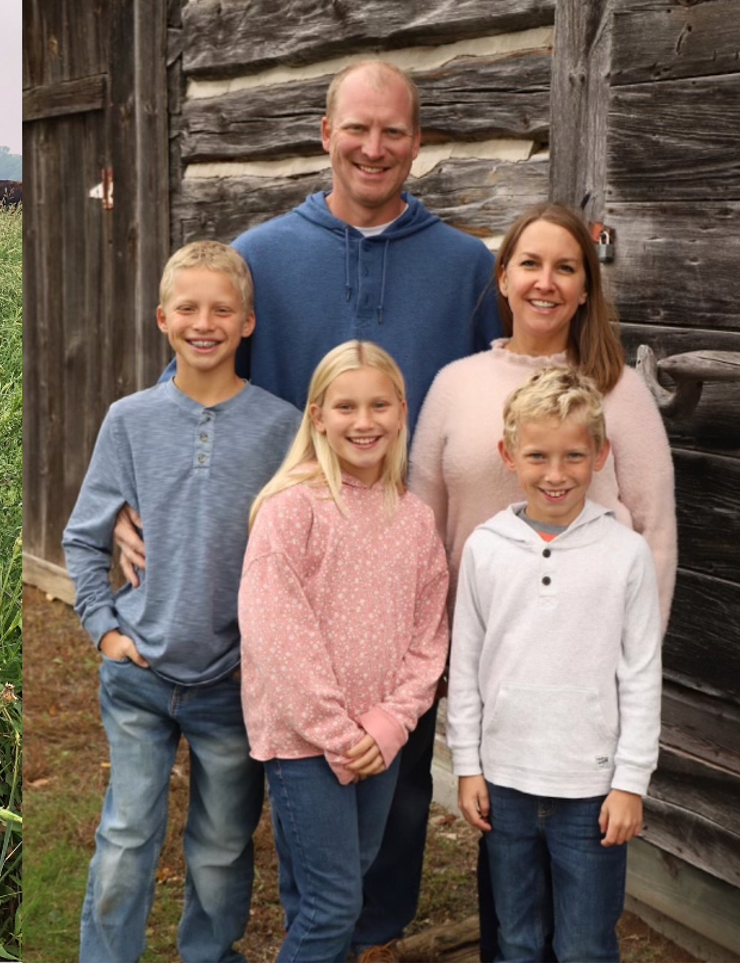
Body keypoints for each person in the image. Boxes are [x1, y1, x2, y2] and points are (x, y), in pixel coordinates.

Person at [121, 61, 498, 948]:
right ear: (323, 133)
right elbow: (188, 390)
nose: (375, 148)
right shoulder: (259, 255)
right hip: (279, 562)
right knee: (260, 765)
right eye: (357, 129)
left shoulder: (464, 267)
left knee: (396, 775)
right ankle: (286, 915)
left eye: (395, 131)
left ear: (420, 142)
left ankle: (365, 925)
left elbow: (497, 401)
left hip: (399, 561)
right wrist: (132, 502)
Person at [410, 202, 677, 959]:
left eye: (566, 267)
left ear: (587, 286)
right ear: (503, 276)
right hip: (490, 672)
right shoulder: (456, 384)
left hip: (584, 679)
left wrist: (627, 668)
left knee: (583, 908)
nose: (546, 282)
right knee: (512, 895)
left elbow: (653, 531)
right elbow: (422, 529)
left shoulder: (616, 389)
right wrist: (430, 657)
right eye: (530, 263)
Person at [63, 241, 302, 962]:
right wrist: (105, 631)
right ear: (163, 319)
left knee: (223, 847)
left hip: (232, 682)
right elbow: (83, 537)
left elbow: (296, 552)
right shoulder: (129, 421)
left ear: (248, 322)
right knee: (127, 835)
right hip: (140, 676)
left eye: (222, 309)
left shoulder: (281, 428)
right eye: (189, 309)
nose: (206, 322)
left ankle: (208, 953)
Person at [238, 341, 449, 962]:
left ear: (402, 410)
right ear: (317, 416)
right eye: (347, 406)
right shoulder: (292, 509)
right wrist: (337, 731)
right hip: (307, 741)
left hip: (378, 742)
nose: (364, 422)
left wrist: (388, 725)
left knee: (329, 893)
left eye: (379, 405)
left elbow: (428, 636)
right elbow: (277, 633)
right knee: (334, 907)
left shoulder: (414, 518)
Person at [448, 365, 661, 962]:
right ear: (508, 455)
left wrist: (629, 782)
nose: (556, 473)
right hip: (506, 783)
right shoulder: (486, 549)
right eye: (538, 455)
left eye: (573, 455)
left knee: (584, 945)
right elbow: (465, 666)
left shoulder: (625, 553)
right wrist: (467, 765)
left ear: (600, 454)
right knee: (516, 938)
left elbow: (642, 675)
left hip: (590, 791)